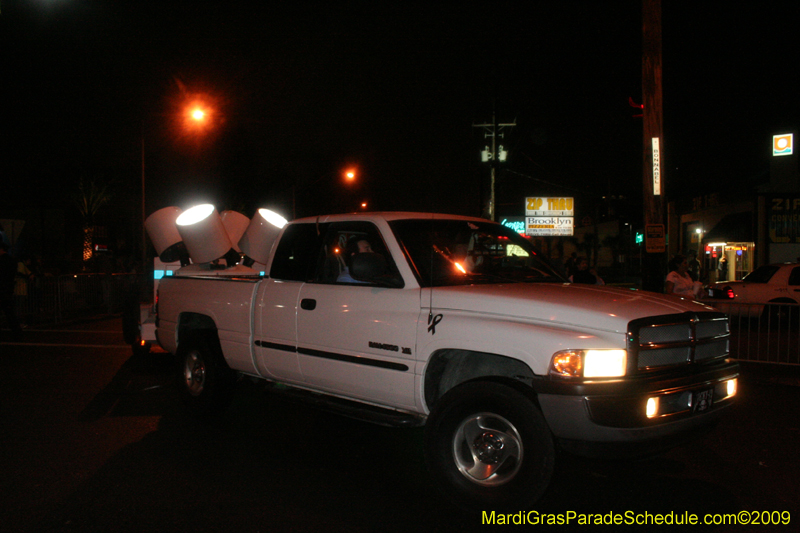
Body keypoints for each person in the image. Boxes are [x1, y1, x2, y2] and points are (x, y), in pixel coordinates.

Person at [0, 241, 23, 341]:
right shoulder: (11, 261)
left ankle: (16, 332)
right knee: (9, 312)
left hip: (2, 289)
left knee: (8, 312)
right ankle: (17, 332)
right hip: (8, 289)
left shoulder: (2, 261)